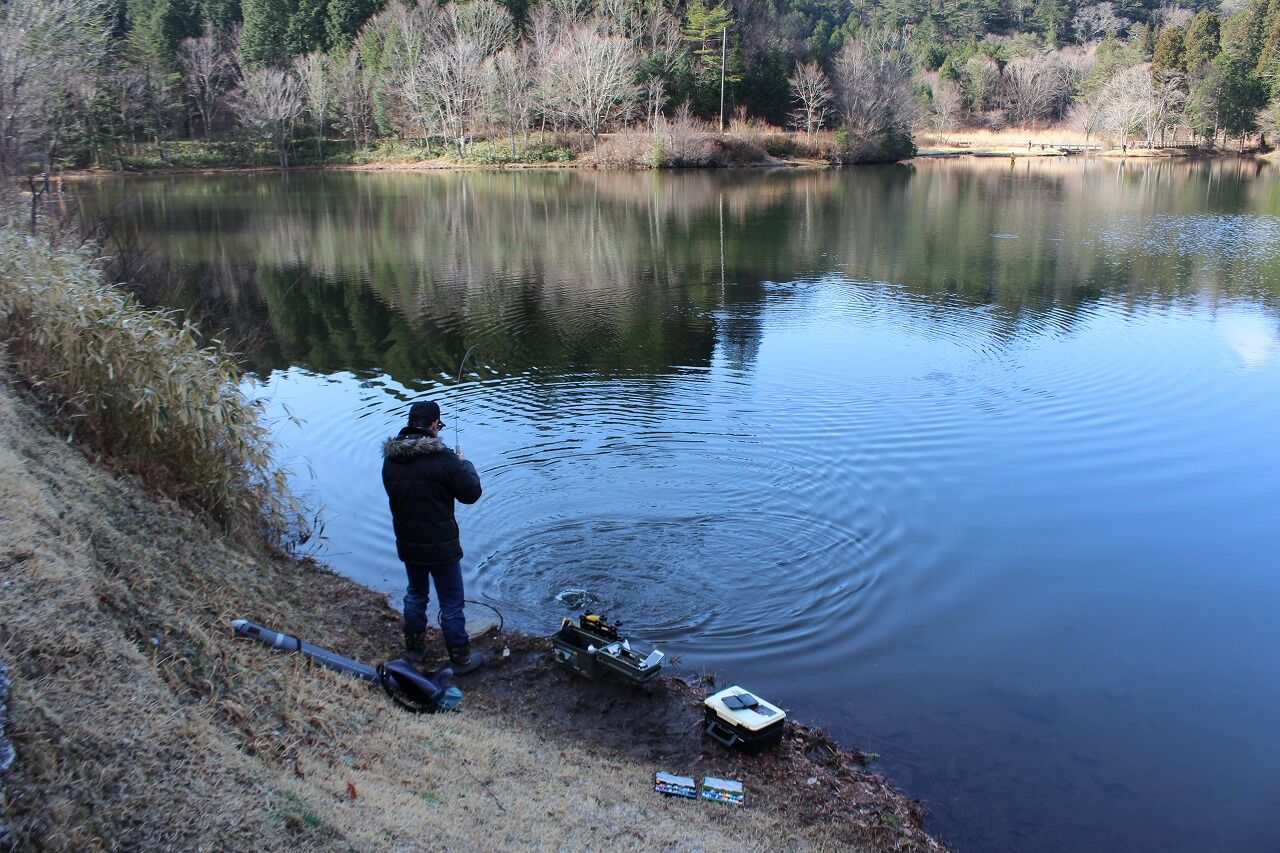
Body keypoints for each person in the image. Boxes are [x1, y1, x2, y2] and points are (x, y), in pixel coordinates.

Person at [382, 400, 485, 673]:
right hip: (442, 547)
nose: (439, 430)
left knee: (416, 595)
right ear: (432, 425)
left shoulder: (391, 460)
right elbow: (471, 493)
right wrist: (466, 465)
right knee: (451, 603)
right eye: (439, 425)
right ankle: (460, 658)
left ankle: (415, 651)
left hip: (408, 543)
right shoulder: (444, 459)